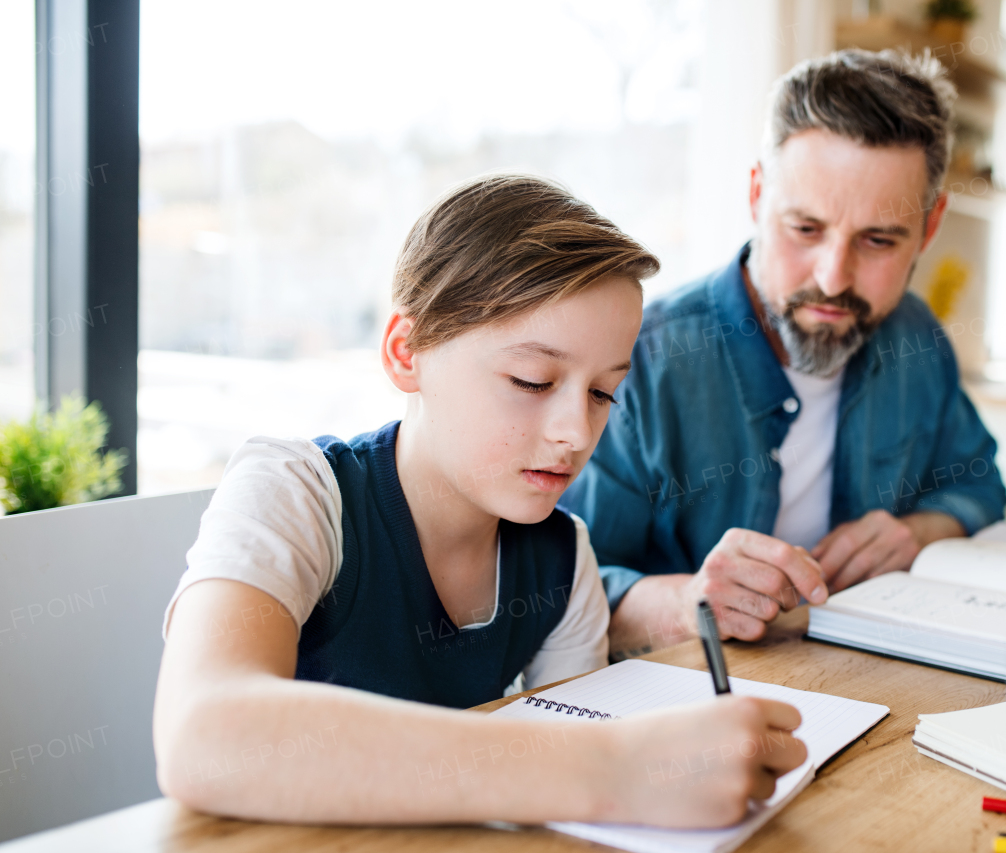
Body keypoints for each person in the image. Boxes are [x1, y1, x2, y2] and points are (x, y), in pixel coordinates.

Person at [153, 175, 807, 829]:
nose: (575, 433)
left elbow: (572, 791)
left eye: (603, 393)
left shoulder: (562, 556)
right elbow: (201, 733)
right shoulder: (295, 492)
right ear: (406, 353)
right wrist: (613, 766)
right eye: (532, 380)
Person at [561, 49, 1006, 657]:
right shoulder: (639, 360)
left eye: (878, 240)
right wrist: (689, 602)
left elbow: (979, 484)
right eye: (805, 229)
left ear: (928, 229)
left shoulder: (915, 337)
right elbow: (553, 585)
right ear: (756, 196)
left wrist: (919, 531)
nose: (831, 278)